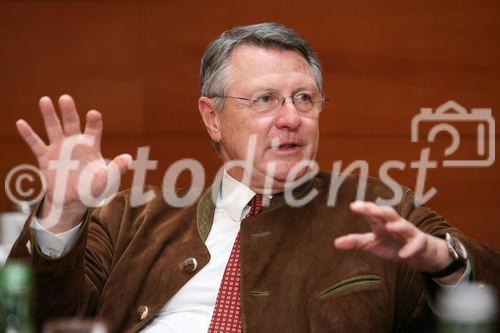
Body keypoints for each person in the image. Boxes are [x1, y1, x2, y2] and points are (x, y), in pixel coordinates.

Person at [8, 22, 500, 332]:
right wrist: (64, 214)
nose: (291, 118)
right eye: (264, 100)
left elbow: (489, 293)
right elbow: (29, 318)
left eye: (304, 99)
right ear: (212, 117)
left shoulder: (378, 208)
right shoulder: (133, 219)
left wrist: (445, 262)